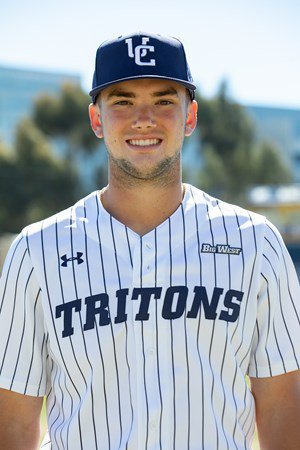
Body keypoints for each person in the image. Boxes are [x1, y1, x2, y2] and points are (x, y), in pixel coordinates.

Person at [0, 31, 299, 450]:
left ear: (190, 117)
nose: (144, 118)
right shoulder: (35, 252)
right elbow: (12, 419)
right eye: (122, 102)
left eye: (163, 100)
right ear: (96, 119)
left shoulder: (256, 244)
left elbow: (283, 406)